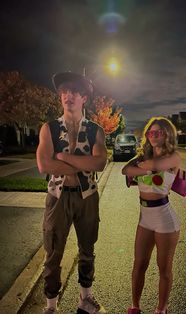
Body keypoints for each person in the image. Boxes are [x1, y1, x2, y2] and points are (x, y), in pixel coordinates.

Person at [36, 71, 107, 314]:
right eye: (64, 92)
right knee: (53, 251)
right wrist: (81, 162)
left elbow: (99, 164)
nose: (68, 96)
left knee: (87, 249)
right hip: (58, 197)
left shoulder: (96, 130)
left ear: (84, 97)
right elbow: (44, 165)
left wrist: (63, 157)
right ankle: (51, 306)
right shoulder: (49, 129)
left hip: (87, 197)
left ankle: (85, 298)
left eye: (74, 92)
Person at [122, 117, 181, 314]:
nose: (153, 136)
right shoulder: (143, 157)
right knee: (139, 265)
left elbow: (157, 166)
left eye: (158, 133)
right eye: (150, 133)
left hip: (165, 220)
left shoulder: (173, 157)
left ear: (167, 135)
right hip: (145, 219)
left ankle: (161, 309)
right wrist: (142, 165)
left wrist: (141, 166)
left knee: (163, 269)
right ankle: (135, 307)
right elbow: (125, 170)